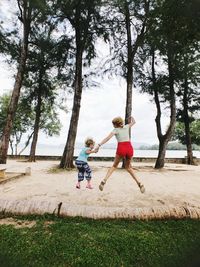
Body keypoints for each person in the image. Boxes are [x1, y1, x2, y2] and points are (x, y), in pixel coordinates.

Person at [97, 116, 145, 193]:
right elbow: (134, 122)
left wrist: (99, 145)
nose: (113, 125)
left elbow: (107, 138)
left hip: (121, 148)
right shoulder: (126, 126)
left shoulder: (115, 130)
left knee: (114, 166)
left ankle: (104, 180)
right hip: (129, 148)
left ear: (116, 124)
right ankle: (139, 183)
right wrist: (131, 117)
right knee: (128, 168)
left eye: (113, 124)